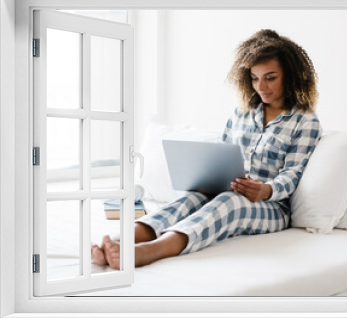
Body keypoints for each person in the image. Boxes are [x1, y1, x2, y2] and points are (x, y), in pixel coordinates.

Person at [91, 29, 322, 269]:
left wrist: (266, 190)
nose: (260, 86)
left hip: (273, 207)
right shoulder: (241, 113)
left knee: (230, 202)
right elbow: (221, 156)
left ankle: (151, 251)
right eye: (254, 78)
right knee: (192, 198)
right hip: (227, 191)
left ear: (291, 76)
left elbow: (292, 173)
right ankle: (116, 242)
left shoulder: (305, 121)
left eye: (270, 78)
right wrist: (208, 177)